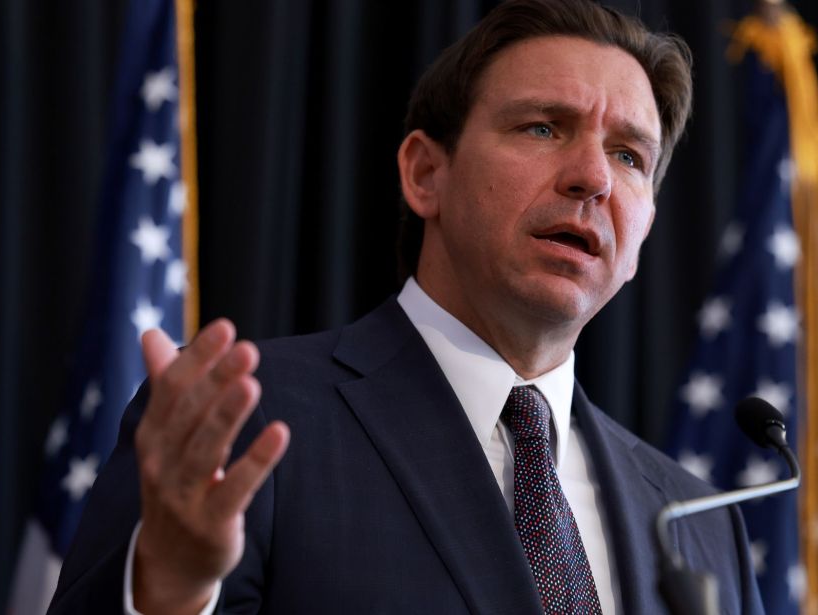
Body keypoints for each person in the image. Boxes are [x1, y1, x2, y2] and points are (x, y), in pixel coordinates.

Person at [49, 1, 764, 613]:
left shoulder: (699, 522)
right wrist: (168, 589)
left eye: (630, 155)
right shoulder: (243, 421)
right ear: (426, 173)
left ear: (643, 236)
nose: (592, 177)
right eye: (543, 127)